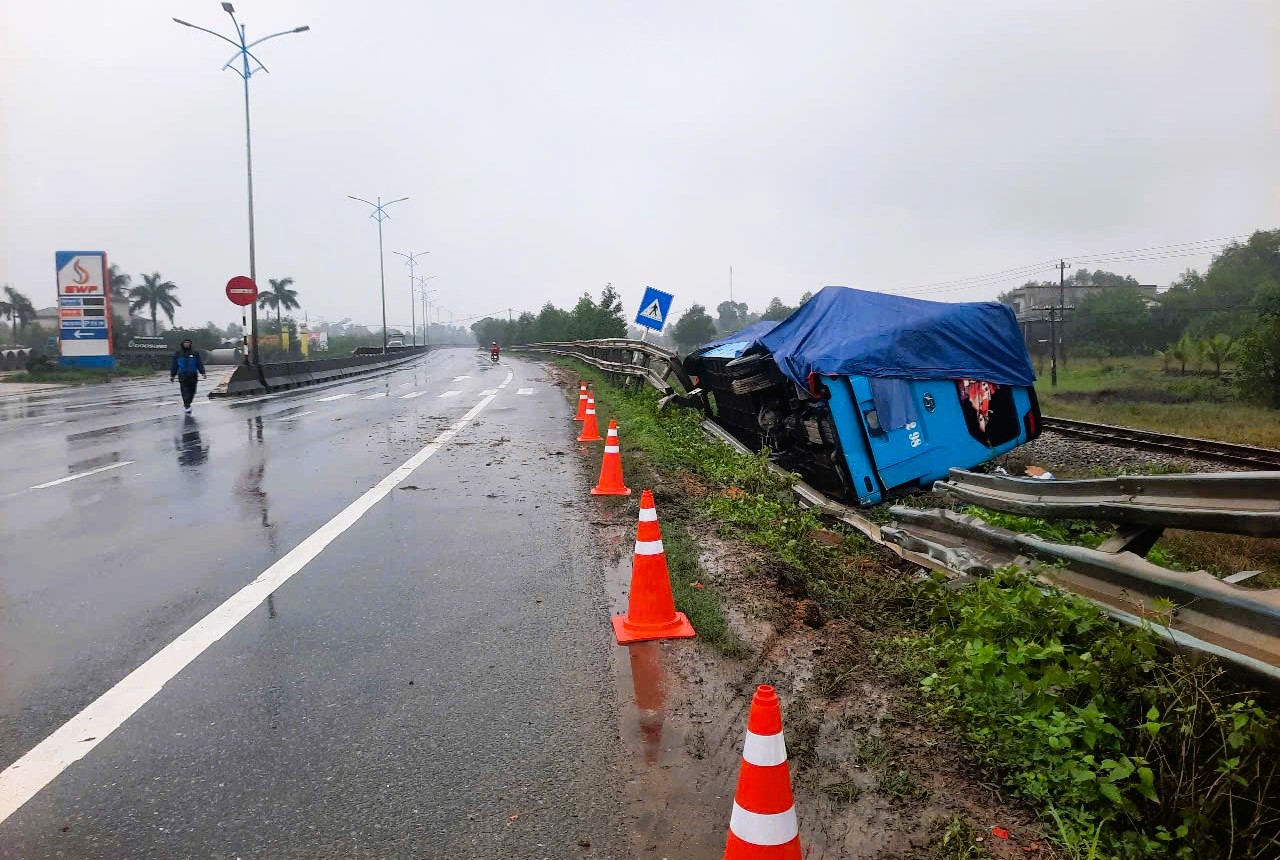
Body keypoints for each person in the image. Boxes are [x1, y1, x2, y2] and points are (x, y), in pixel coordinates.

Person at [170, 339, 207, 413]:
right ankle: (187, 405)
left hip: (193, 375)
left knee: (192, 391)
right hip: (183, 375)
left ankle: (188, 402)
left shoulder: (195, 353)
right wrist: (172, 375)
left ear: (190, 344)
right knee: (184, 391)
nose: (187, 344)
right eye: (185, 343)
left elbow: (199, 363)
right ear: (182, 344)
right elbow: (174, 365)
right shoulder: (178, 353)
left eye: (188, 343)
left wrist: (203, 372)